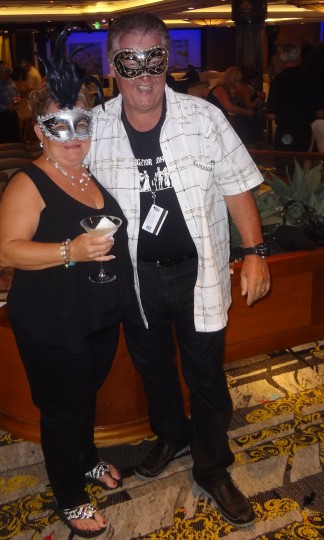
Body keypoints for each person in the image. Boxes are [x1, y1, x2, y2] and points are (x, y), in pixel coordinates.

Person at [87, 13, 271, 528]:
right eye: (130, 61)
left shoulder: (204, 118)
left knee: (205, 374)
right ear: (112, 65)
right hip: (135, 277)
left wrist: (255, 253)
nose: (144, 74)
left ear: (168, 61)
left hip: (198, 271)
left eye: (155, 59)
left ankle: (213, 467)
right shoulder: (94, 128)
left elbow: (237, 186)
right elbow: (62, 184)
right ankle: (172, 434)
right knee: (153, 367)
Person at [0, 30, 138, 538]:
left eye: (81, 123)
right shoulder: (27, 182)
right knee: (61, 409)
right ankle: (70, 495)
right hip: (51, 322)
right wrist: (69, 252)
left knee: (84, 397)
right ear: (40, 131)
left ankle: (85, 457)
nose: (73, 136)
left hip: (94, 314)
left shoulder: (88, 174)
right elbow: (9, 250)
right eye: (58, 125)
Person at [266, 42, 324, 152]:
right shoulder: (310, 79)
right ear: (298, 57)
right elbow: (320, 112)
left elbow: (271, 115)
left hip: (284, 131)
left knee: (284, 161)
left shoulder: (278, 81)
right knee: (301, 161)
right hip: (304, 132)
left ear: (281, 59)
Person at [0, 62, 21, 144]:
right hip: (1, 116)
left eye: (6, 71)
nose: (4, 73)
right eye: (2, 71)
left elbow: (17, 96)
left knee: (15, 138)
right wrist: (6, 108)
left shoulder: (12, 83)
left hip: (13, 115)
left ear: (10, 72)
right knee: (3, 140)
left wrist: (17, 101)